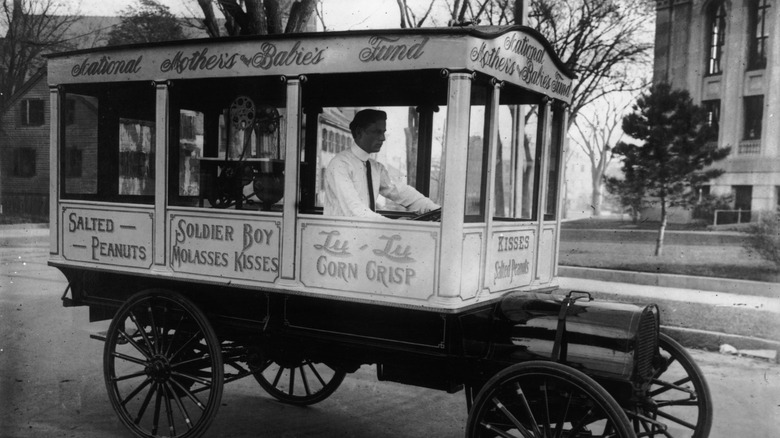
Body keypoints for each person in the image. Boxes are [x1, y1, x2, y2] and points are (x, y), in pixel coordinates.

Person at [323, 109, 440, 218]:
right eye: (377, 132)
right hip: (339, 236)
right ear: (359, 132)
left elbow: (401, 192)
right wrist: (392, 225)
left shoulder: (376, 168)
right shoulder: (340, 164)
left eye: (383, 132)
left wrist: (436, 210)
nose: (383, 138)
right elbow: (354, 210)